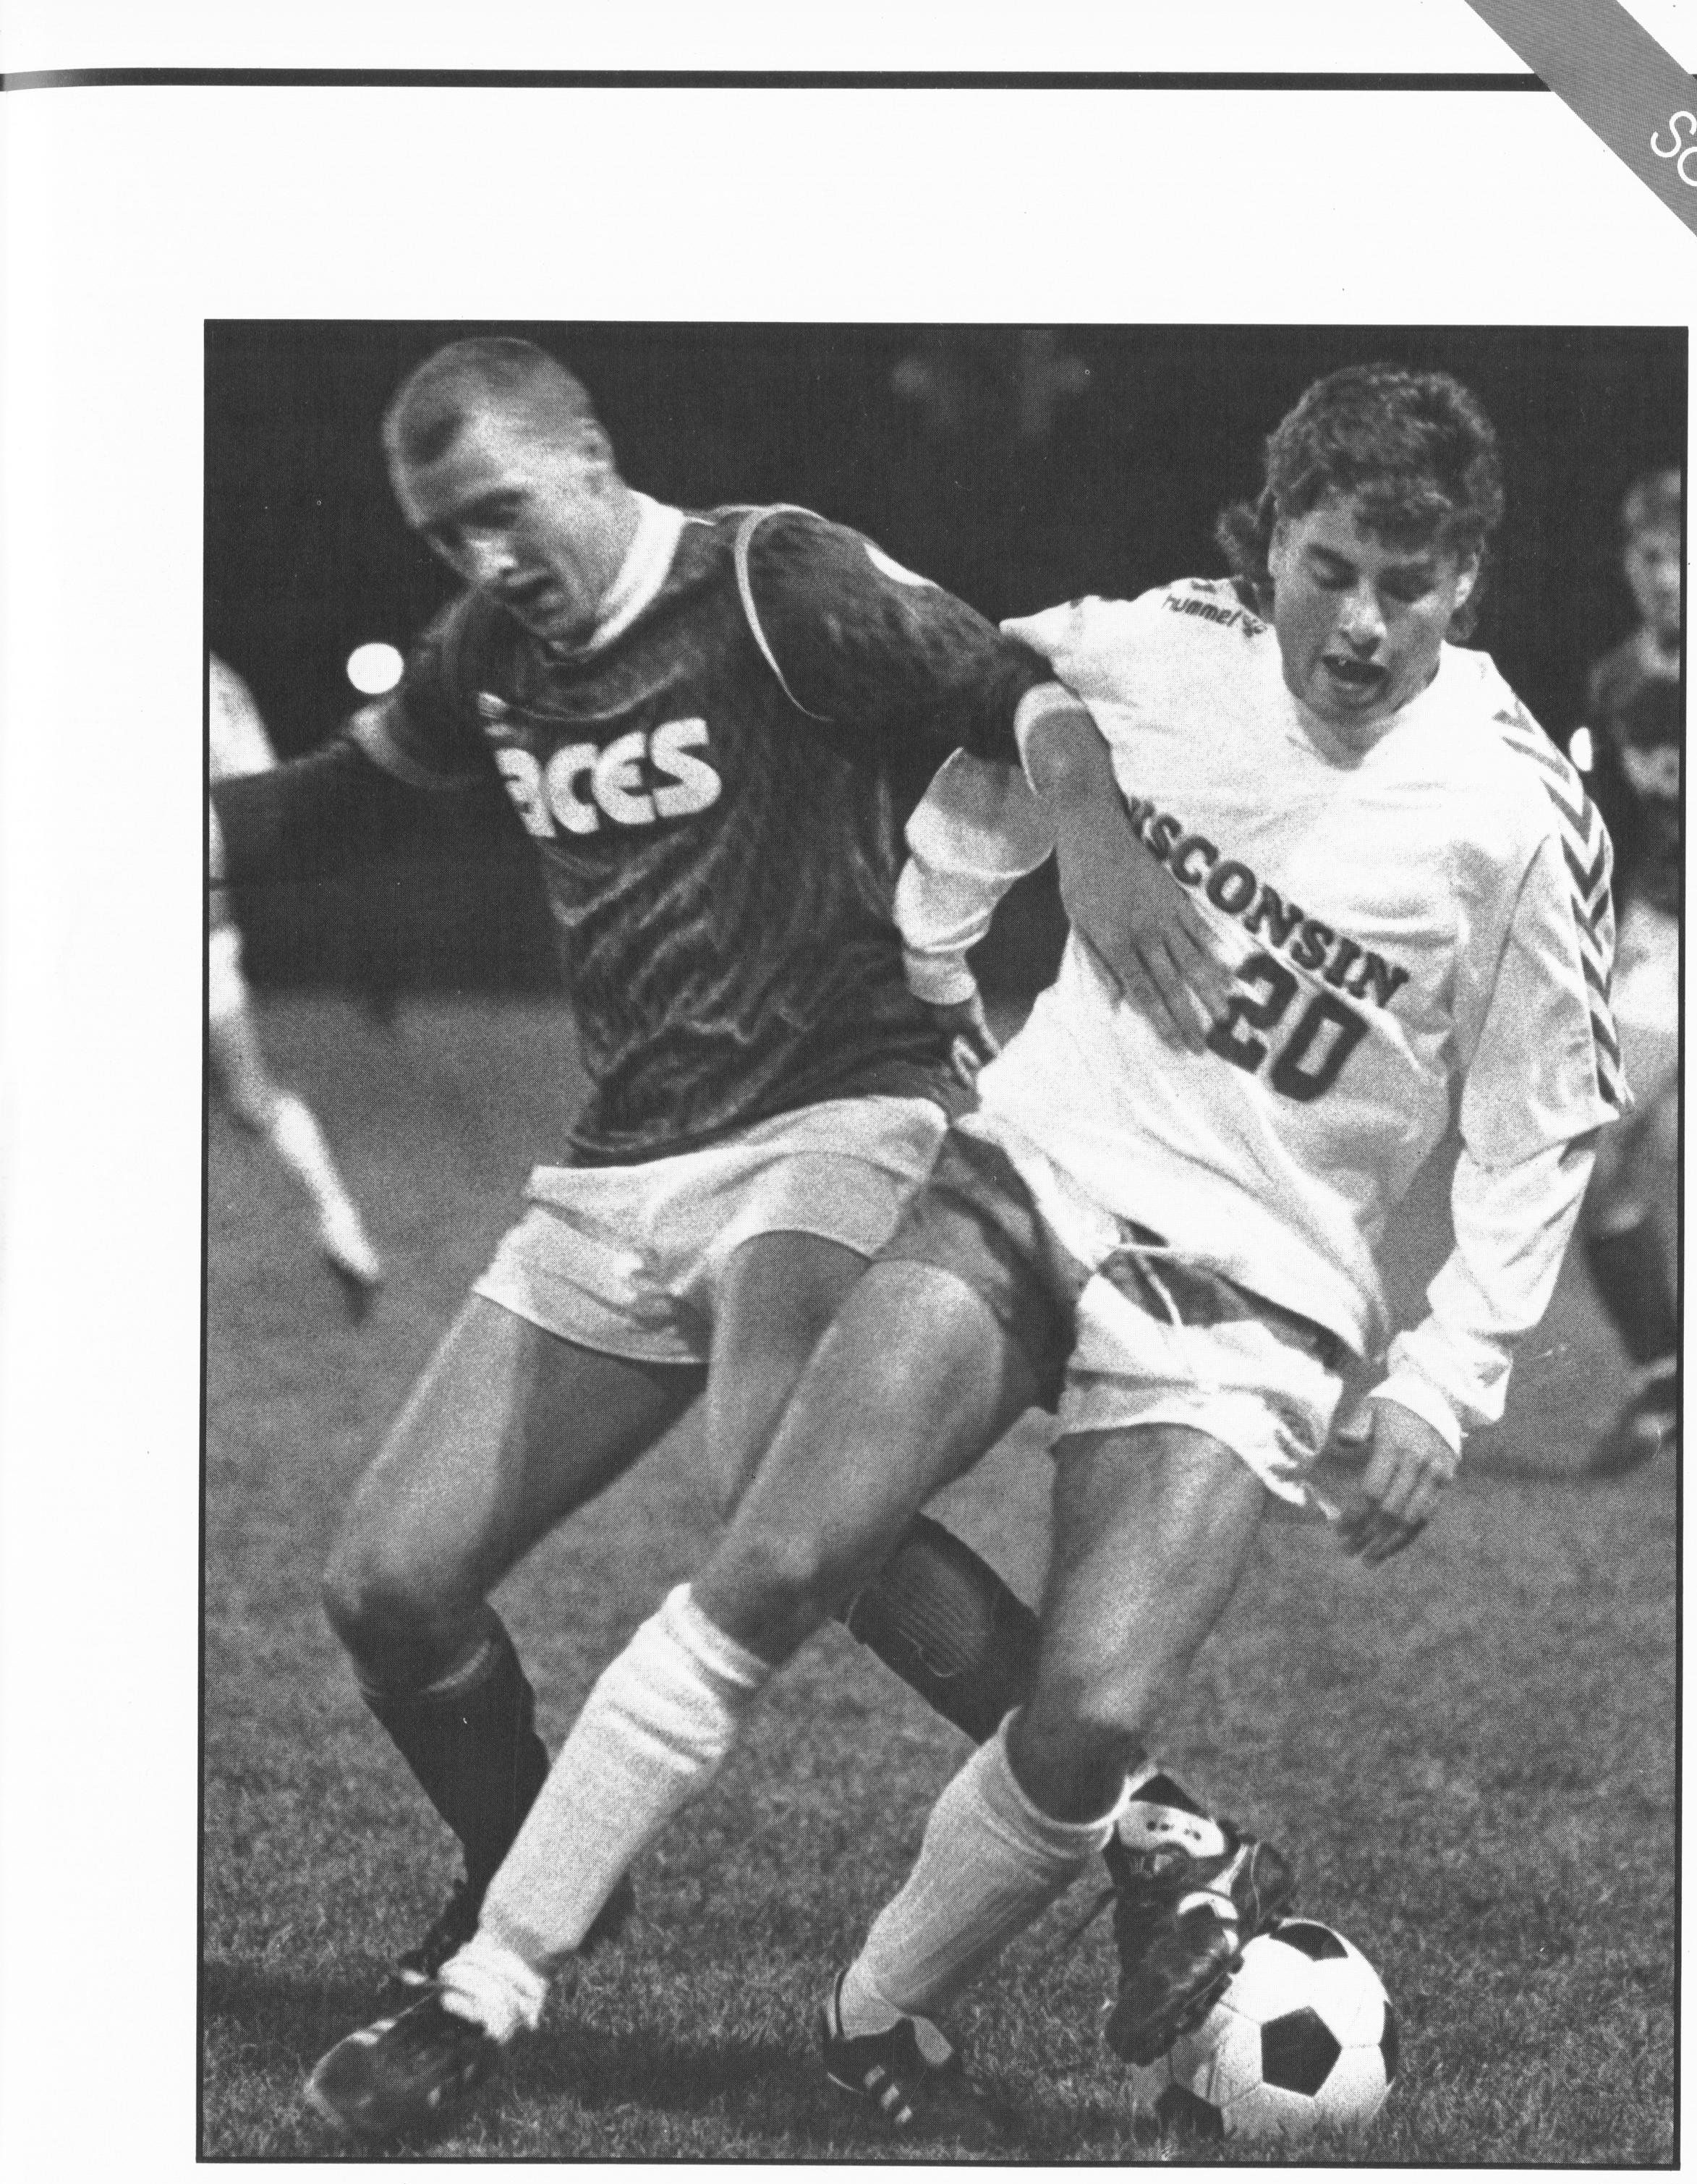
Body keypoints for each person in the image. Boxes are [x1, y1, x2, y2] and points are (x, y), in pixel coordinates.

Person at [305, 363, 1630, 2151]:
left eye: (1408, 586)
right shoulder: (1160, 648)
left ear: (1464, 579)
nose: (1359, 625)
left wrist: (1448, 1377)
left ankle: (875, 2014)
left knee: (1085, 1716)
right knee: (778, 1547)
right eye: (1327, 570)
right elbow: (993, 721)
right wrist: (946, 932)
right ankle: (487, 1984)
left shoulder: (1519, 808)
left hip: (1259, 1285)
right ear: (1273, 542)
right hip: (1037, 1173)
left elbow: (1543, 1116)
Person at [213, 336, 1154, 1989]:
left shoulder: (771, 579)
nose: (482, 558)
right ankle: (529, 1881)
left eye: (501, 508)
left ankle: (1159, 1839)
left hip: (834, 1109)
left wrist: (1082, 806)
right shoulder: (492, 649)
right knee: (389, 1583)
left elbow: (1001, 680)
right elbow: (344, 798)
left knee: (773, 1469)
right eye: (444, 534)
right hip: (620, 1165)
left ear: (587, 457)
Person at [207, 656, 383, 1314]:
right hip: (191, 928)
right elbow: (260, 798)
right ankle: (343, 1224)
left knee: (249, 1097)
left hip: (177, 930)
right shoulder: (220, 681)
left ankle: (342, 1223)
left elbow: (254, 802)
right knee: (248, 1098)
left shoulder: (203, 685)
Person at [1570, 468, 1683, 1473]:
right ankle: (1666, 1376)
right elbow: (1621, 825)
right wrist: (1619, 930)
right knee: (1596, 1153)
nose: (1668, 573)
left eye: (1686, 552)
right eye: (1651, 553)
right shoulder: (1616, 682)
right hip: (1671, 937)